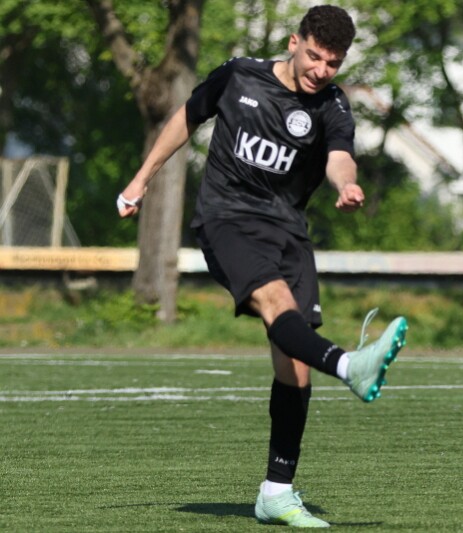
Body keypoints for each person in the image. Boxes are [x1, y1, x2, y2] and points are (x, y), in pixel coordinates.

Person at [117, 5, 408, 527]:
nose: (321, 70)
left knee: (294, 365)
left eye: (333, 63)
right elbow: (186, 117)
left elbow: (340, 156)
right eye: (314, 57)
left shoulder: (333, 106)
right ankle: (351, 366)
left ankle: (276, 492)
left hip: (288, 232)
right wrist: (141, 179)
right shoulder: (239, 75)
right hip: (227, 218)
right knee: (276, 303)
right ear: (294, 43)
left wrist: (347, 185)